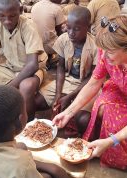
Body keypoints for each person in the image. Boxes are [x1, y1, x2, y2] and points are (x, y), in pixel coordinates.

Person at [53, 15, 127, 169]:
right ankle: (101, 138)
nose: (104, 56)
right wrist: (68, 112)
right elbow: (94, 83)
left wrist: (111, 141)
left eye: (110, 53)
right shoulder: (107, 50)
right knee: (102, 107)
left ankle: (107, 145)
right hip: (119, 90)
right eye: (103, 51)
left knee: (115, 126)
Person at [39, 6, 97, 137]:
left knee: (83, 119)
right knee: (37, 101)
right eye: (68, 27)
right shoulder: (64, 39)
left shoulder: (95, 45)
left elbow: (93, 77)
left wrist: (70, 96)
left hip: (87, 84)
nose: (70, 32)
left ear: (88, 27)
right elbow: (60, 67)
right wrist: (59, 93)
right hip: (68, 79)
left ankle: (76, 138)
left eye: (76, 29)